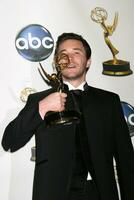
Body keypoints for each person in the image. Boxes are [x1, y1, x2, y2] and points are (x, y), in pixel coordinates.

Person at [2, 32, 134, 200]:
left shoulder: (109, 101)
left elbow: (126, 160)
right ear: (57, 62)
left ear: (88, 61)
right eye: (63, 54)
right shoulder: (38, 100)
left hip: (100, 192)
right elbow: (9, 141)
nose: (69, 58)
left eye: (76, 52)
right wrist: (42, 108)